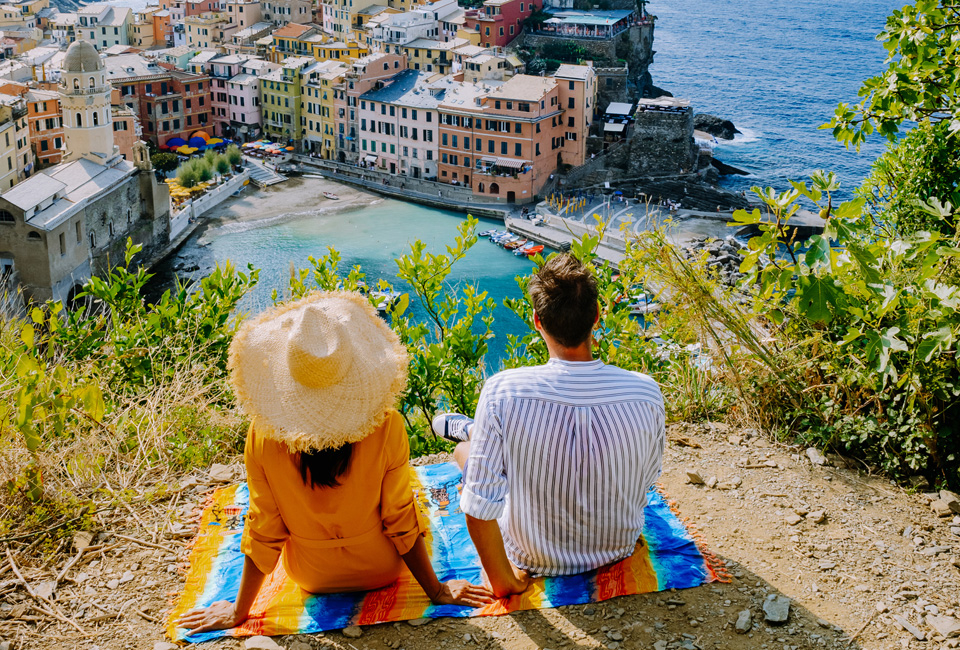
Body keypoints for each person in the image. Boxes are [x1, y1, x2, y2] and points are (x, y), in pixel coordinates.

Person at [178, 292, 492, 635]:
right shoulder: (385, 424)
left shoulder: (264, 433)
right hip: (382, 569)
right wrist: (436, 590)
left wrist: (240, 610)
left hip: (311, 576)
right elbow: (399, 516)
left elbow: (264, 527)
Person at [432, 255, 665, 598]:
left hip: (531, 557)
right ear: (596, 317)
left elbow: (478, 506)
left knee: (464, 451)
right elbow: (648, 478)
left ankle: (472, 432)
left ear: (537, 322)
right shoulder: (645, 391)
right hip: (618, 548)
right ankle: (473, 431)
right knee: (485, 445)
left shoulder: (503, 389)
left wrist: (504, 582)